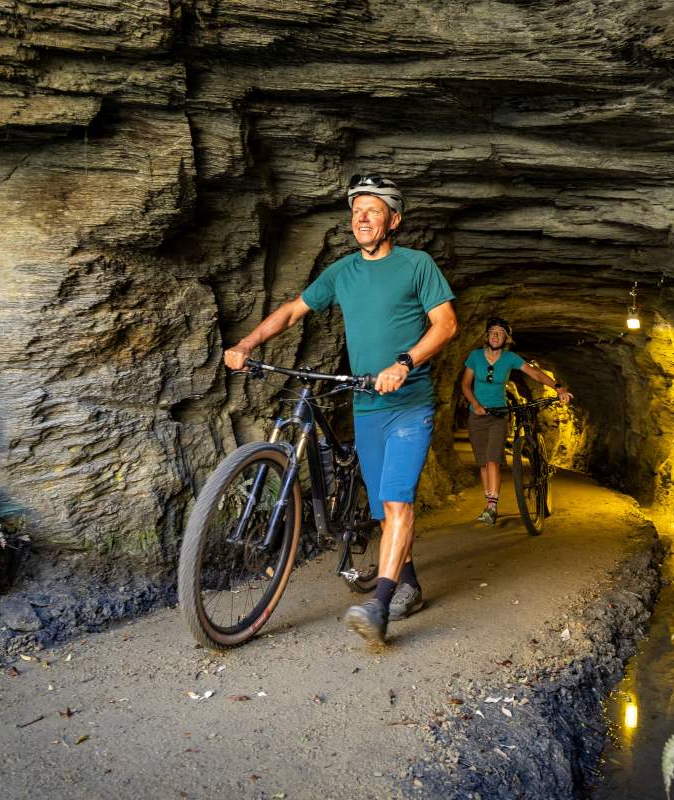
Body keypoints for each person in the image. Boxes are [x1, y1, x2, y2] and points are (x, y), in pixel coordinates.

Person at [224, 175, 457, 644]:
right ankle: (407, 582)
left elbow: (446, 324)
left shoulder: (417, 265)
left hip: (409, 405)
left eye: (372, 210)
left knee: (396, 501)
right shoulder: (342, 272)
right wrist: (248, 343)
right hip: (367, 406)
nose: (361, 218)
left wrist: (404, 363)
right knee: (383, 508)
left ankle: (379, 605)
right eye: (356, 212)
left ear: (393, 220)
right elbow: (292, 311)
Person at [460, 317, 572, 525]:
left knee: (493, 459)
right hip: (477, 415)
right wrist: (475, 404)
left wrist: (557, 387)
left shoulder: (510, 358)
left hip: (499, 415)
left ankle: (493, 506)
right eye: (492, 331)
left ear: (506, 338)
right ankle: (488, 503)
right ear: (487, 336)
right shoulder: (475, 356)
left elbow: (535, 373)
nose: (495, 335)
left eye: (500, 333)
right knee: (483, 463)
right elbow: (466, 385)